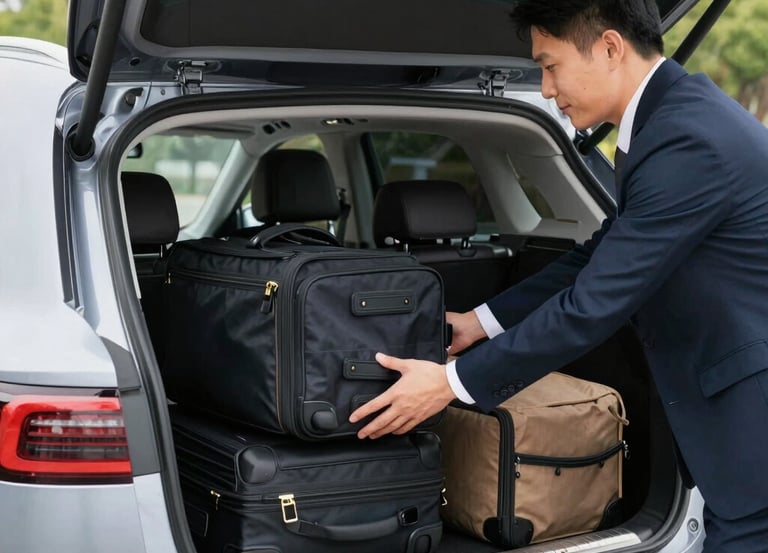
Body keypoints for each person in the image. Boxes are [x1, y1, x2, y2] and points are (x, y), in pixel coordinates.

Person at [348, 0, 768, 551]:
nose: (546, 88)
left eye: (551, 65)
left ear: (611, 48)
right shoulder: (671, 119)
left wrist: (449, 385)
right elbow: (599, 254)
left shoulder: (688, 139)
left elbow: (593, 306)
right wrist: (480, 322)